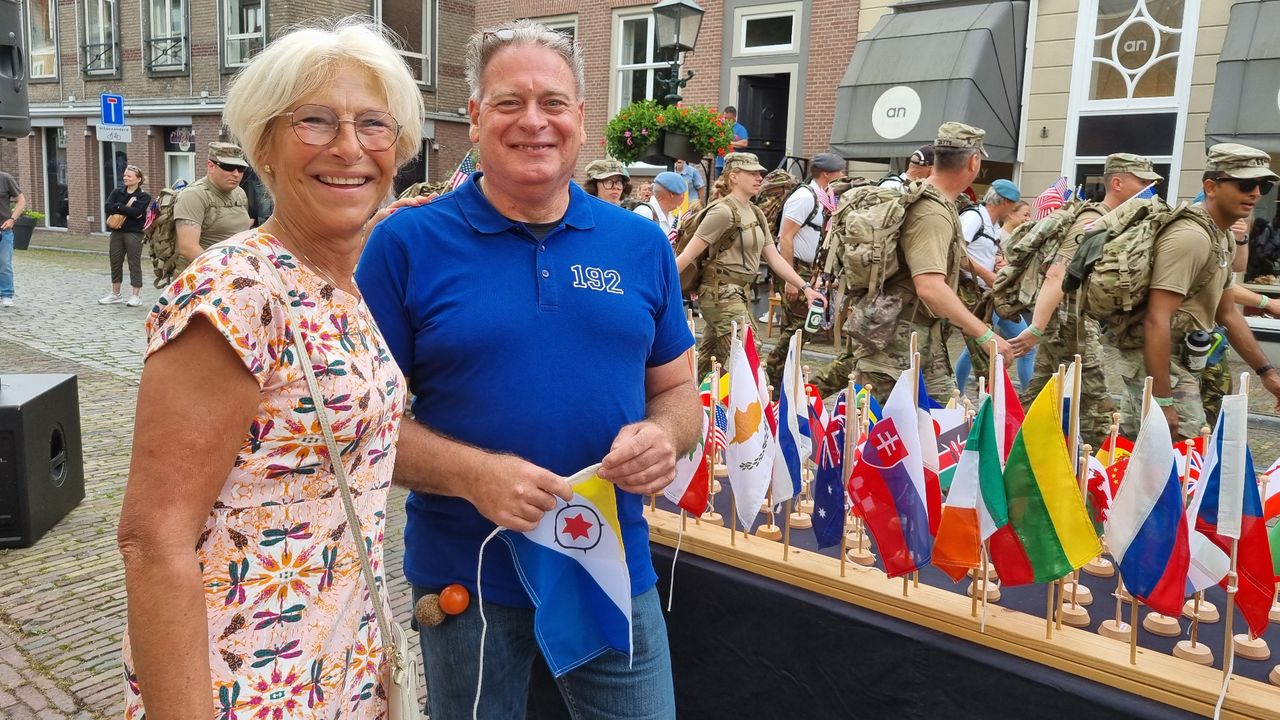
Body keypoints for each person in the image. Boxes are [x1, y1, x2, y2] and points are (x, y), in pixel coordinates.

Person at [357, 21, 702, 719]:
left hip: (609, 564)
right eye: (510, 103)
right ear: (477, 118)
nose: (533, 121)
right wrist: (473, 475)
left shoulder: (639, 244)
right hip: (467, 577)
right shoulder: (405, 243)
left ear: (581, 117)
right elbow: (358, 425)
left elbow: (679, 393)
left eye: (554, 102)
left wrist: (666, 436)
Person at [117, 19, 423, 717]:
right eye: (315, 120)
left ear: (399, 149)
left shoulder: (343, 277)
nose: (349, 147)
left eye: (373, 125)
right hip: (247, 688)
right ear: (265, 145)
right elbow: (152, 538)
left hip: (334, 672)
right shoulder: (239, 292)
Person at [811, 122, 1014, 401]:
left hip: (916, 341)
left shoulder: (931, 201)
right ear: (973, 162)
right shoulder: (932, 212)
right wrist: (985, 335)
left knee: (937, 428)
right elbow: (929, 287)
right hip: (897, 347)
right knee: (885, 436)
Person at [1112, 144, 1280, 438]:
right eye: (1244, 184)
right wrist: (1162, 400)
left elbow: (1226, 312)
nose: (1255, 193)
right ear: (1211, 187)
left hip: (1183, 358)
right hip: (1161, 362)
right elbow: (1156, 318)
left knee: (1142, 455)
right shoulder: (1191, 237)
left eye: (1261, 185)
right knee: (1185, 451)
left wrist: (1266, 373)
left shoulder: (1222, 235)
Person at [1010, 153, 1159, 445]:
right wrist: (1036, 329)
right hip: (1072, 329)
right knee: (1095, 408)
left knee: (1040, 395)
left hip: (1070, 326)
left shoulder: (1113, 221)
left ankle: (1010, 447)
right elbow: (1057, 275)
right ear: (1117, 182)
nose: (1148, 189)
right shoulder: (1093, 222)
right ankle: (1099, 475)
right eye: (1142, 182)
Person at [675, 152, 825, 378]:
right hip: (719, 292)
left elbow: (774, 258)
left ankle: (684, 397)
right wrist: (659, 285)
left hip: (740, 292)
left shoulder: (755, 213)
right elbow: (688, 255)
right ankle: (749, 409)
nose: (759, 177)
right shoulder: (722, 211)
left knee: (707, 361)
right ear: (734, 177)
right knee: (748, 353)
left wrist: (805, 287)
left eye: (760, 173)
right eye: (752, 173)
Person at [764, 152, 844, 385]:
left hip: (810, 269)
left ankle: (785, 376)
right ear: (827, 174)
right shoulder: (804, 197)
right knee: (804, 323)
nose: (843, 175)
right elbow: (785, 238)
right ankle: (775, 369)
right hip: (796, 268)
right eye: (840, 171)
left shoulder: (825, 197)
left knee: (797, 325)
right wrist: (790, 278)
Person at [954, 179, 1033, 391]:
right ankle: (968, 398)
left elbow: (984, 252)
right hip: (969, 292)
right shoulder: (973, 217)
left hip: (987, 294)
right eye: (1013, 205)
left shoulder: (993, 225)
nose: (1014, 210)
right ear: (1005, 202)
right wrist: (986, 274)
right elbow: (956, 254)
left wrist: (998, 261)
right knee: (984, 348)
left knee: (979, 347)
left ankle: (959, 394)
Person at [173, 142, 253, 269]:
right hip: (201, 275)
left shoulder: (239, 193)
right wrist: (223, 271)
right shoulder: (193, 195)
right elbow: (188, 248)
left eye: (241, 168)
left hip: (236, 270)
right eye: (228, 167)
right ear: (211, 166)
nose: (236, 174)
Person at [99, 165, 152, 307]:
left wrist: (119, 207)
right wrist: (126, 209)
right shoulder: (117, 192)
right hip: (116, 232)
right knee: (115, 261)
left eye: (129, 176)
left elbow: (137, 212)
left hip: (134, 233)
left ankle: (135, 296)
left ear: (138, 179)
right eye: (124, 176)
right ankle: (115, 294)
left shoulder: (144, 196)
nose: (125, 178)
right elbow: (107, 207)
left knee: (134, 263)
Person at [0, 166, 26, 307]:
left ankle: (6, 294)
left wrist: (12, 219)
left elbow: (21, 201)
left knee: (4, 263)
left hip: (3, 229)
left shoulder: (5, 178)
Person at [633, 170, 685, 236]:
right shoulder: (644, 213)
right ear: (672, 193)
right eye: (682, 193)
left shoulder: (669, 215)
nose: (683, 197)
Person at [714, 106, 749, 174]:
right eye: (725, 118)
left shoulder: (740, 128)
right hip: (720, 162)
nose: (727, 120)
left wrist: (728, 143)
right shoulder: (720, 127)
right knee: (719, 184)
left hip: (733, 163)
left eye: (729, 118)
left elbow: (744, 143)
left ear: (734, 117)